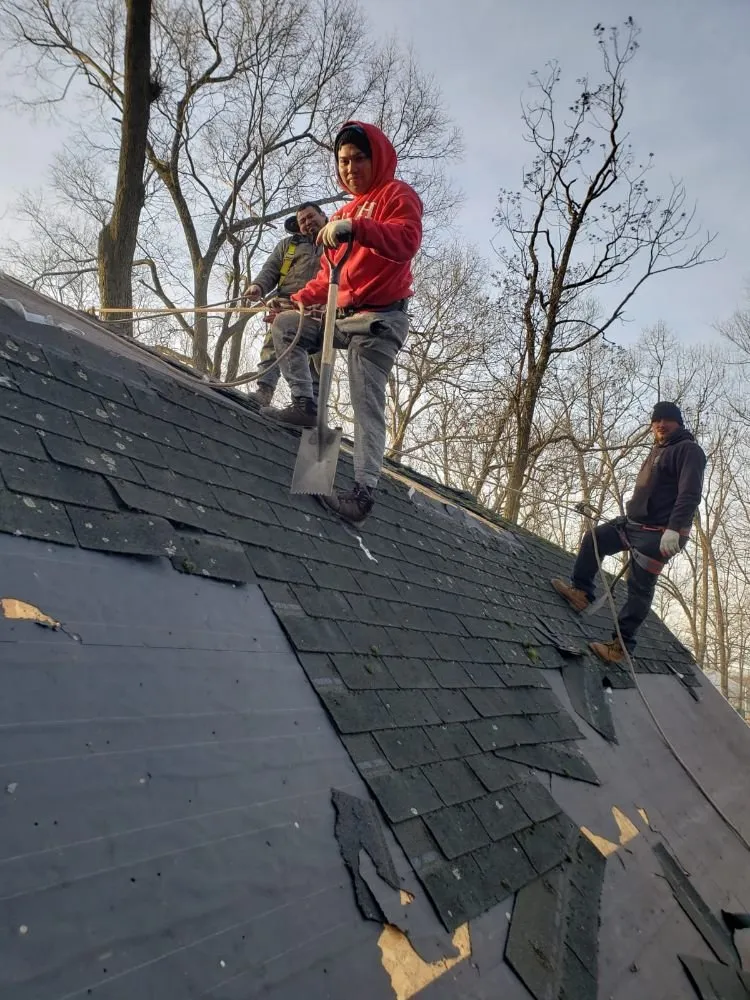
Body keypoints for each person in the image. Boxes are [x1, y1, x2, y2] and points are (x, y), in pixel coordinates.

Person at [261, 121, 423, 525]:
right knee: (285, 325)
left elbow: (406, 241)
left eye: (358, 159)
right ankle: (304, 403)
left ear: (376, 158)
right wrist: (295, 300)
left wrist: (358, 229)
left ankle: (363, 492)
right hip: (340, 316)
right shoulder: (343, 211)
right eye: (343, 161)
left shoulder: (397, 196)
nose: (350, 168)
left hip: (380, 319)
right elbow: (326, 278)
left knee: (364, 399)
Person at [551, 402, 707, 664]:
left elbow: (689, 494)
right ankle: (582, 593)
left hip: (660, 535)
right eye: (656, 420)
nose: (660, 424)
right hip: (633, 525)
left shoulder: (688, 450)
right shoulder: (658, 450)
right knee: (595, 538)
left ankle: (620, 648)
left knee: (639, 587)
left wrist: (674, 529)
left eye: (667, 420)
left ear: (678, 423)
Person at [242, 203, 327, 407]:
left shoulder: (336, 242)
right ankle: (265, 389)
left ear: (323, 216)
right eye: (302, 221)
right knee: (274, 345)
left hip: (322, 308)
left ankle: (310, 404)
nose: (307, 222)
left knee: (318, 357)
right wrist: (258, 286)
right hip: (286, 304)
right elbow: (271, 268)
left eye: (311, 216)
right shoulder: (288, 246)